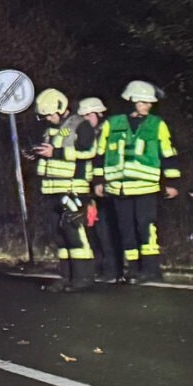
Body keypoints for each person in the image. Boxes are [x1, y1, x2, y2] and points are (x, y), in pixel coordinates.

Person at [100, 80, 180, 283]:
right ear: (131, 100)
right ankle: (133, 269)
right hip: (119, 187)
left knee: (145, 226)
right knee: (125, 228)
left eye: (149, 103)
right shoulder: (112, 123)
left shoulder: (157, 124)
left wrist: (172, 183)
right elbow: (99, 154)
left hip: (146, 186)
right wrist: (98, 181)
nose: (148, 106)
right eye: (143, 102)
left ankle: (151, 268)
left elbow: (168, 153)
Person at [29, 88, 94, 288]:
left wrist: (56, 153)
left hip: (72, 188)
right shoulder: (50, 129)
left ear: (61, 107)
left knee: (75, 233)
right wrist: (37, 154)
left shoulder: (81, 126)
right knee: (59, 235)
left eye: (50, 114)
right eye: (44, 116)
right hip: (52, 189)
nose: (48, 118)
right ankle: (66, 277)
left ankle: (82, 278)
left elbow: (89, 152)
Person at [73, 96, 117, 278]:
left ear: (98, 114)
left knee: (105, 229)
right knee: (90, 228)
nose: (85, 120)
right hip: (86, 189)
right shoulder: (83, 135)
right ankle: (99, 266)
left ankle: (111, 268)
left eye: (88, 115)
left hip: (103, 190)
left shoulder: (105, 134)